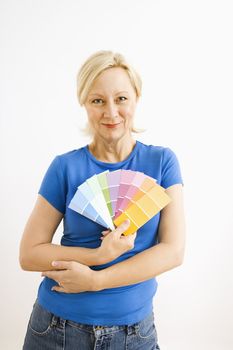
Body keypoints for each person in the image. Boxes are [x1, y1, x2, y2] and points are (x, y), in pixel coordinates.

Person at [19, 50, 186, 350]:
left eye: (121, 98)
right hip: (57, 330)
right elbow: (29, 254)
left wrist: (97, 279)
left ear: (136, 97)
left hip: (135, 335)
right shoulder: (65, 167)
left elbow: (173, 251)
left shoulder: (162, 162)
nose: (111, 112)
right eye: (98, 100)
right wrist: (98, 256)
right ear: (84, 103)